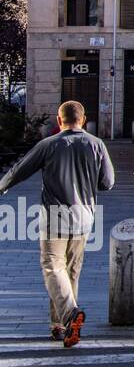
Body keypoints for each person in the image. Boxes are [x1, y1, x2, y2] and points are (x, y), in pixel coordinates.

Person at [0, 100, 115, 347]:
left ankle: (69, 314)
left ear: (59, 120)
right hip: (84, 218)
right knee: (70, 271)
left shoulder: (48, 144)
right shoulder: (97, 145)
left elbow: (19, 169)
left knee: (53, 267)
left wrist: (1, 187)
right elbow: (107, 183)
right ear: (83, 120)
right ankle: (60, 326)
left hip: (54, 217)